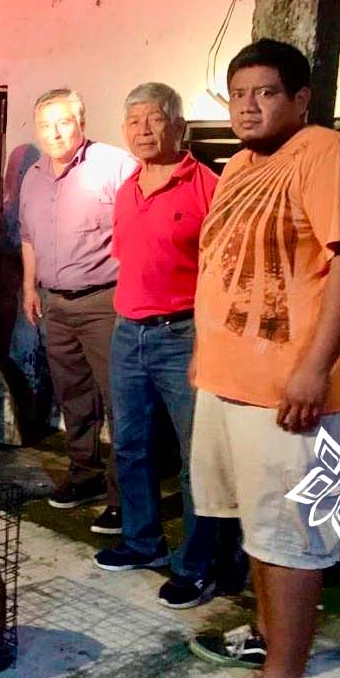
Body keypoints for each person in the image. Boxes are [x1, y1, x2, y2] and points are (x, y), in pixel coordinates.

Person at [188, 40, 340, 678]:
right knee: (259, 531)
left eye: (265, 92)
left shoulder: (327, 154)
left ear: (300, 99)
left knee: (292, 539)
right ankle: (272, 646)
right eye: (238, 92)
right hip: (230, 384)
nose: (248, 104)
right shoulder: (239, 165)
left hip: (296, 391)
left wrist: (314, 367)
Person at [92, 82, 224, 610]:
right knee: (129, 445)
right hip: (128, 331)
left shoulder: (208, 186)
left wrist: (205, 341)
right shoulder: (127, 187)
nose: (143, 130)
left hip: (184, 334)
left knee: (198, 459)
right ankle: (144, 543)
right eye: (133, 121)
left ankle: (197, 566)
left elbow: (221, 271)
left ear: (178, 125)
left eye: (153, 119)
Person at [19, 88, 136, 533]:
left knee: (119, 400)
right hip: (55, 304)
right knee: (74, 397)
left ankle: (124, 498)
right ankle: (84, 476)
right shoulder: (33, 176)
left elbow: (138, 229)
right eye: (46, 124)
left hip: (105, 301)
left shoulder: (114, 165)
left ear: (81, 123)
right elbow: (28, 237)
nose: (55, 132)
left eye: (64, 122)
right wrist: (31, 288)